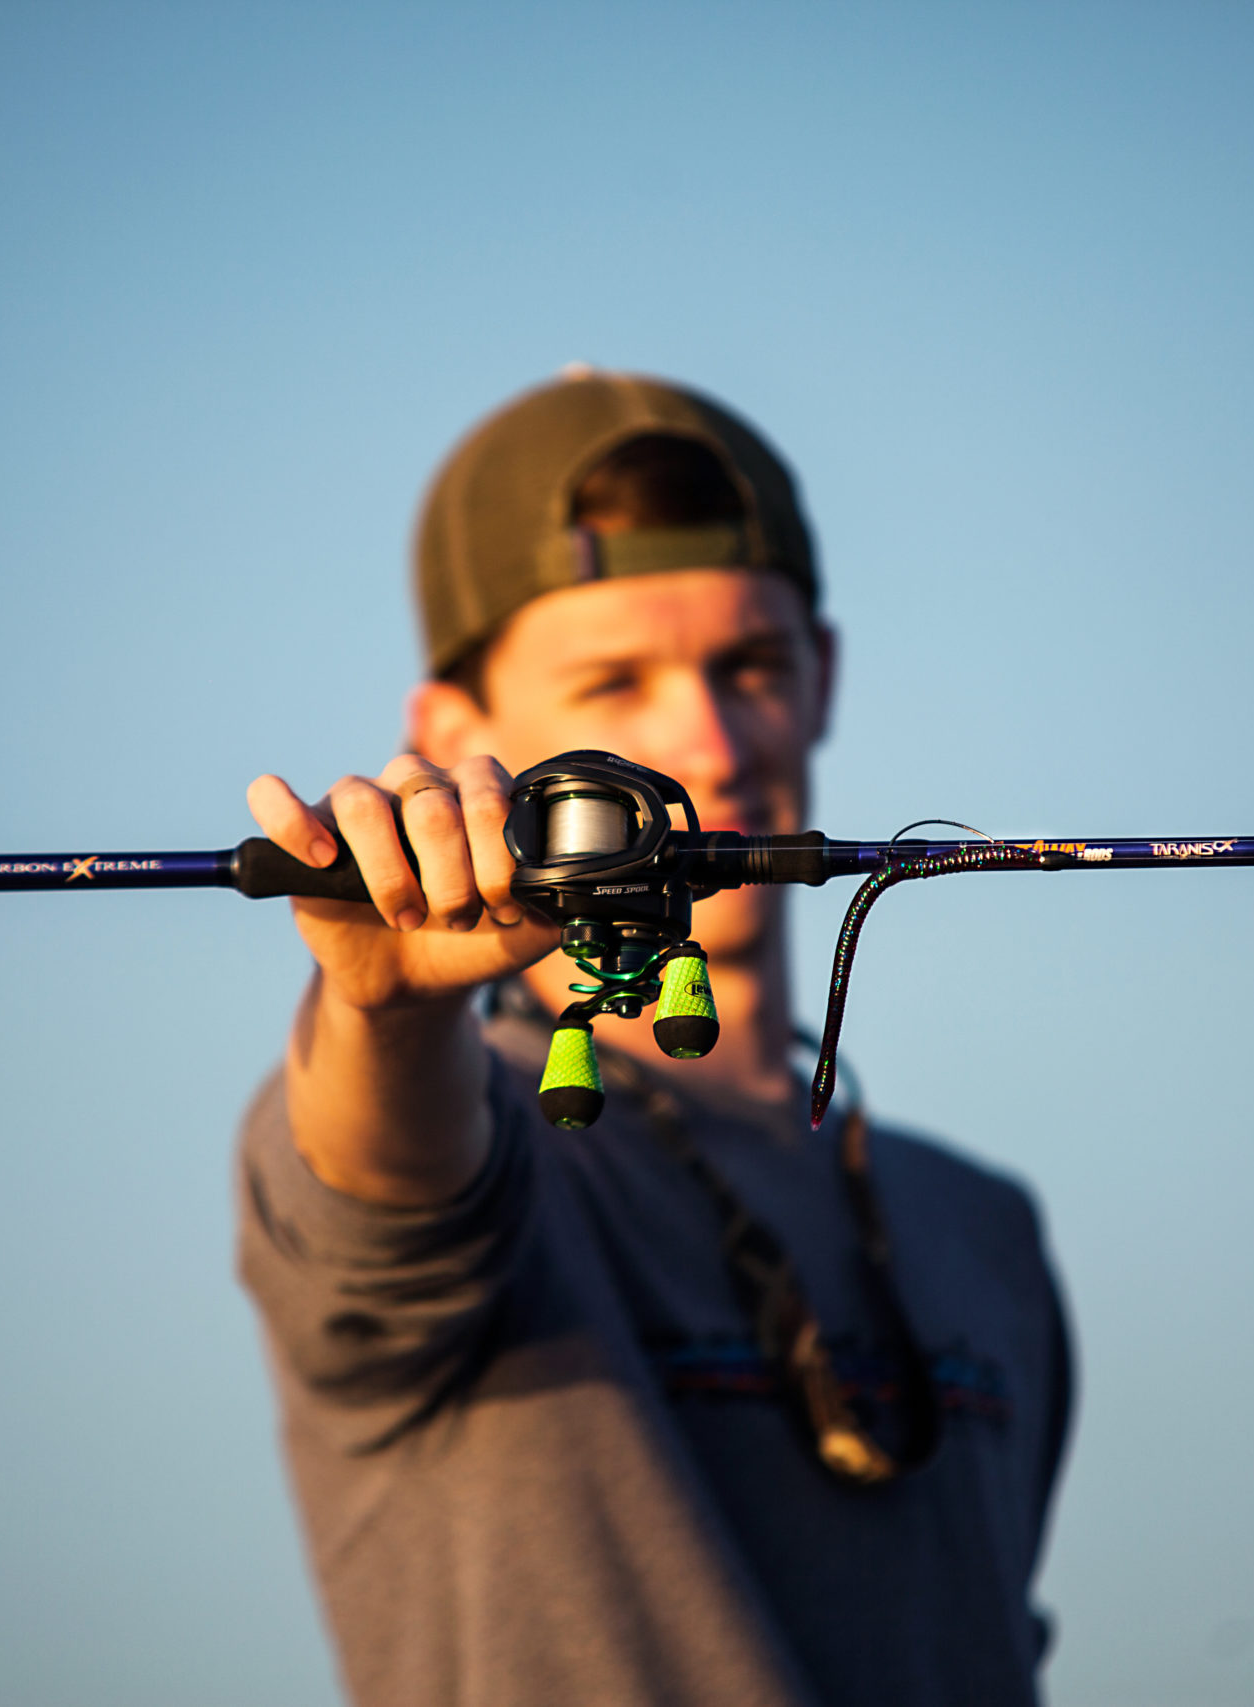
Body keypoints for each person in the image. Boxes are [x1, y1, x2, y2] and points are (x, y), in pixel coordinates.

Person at [235, 370, 1074, 1706]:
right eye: (615, 683)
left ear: (824, 680)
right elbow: (379, 1201)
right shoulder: (462, 1130)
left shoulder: (983, 1231)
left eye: (751, 667)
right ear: (455, 739)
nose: (706, 740)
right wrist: (387, 1010)